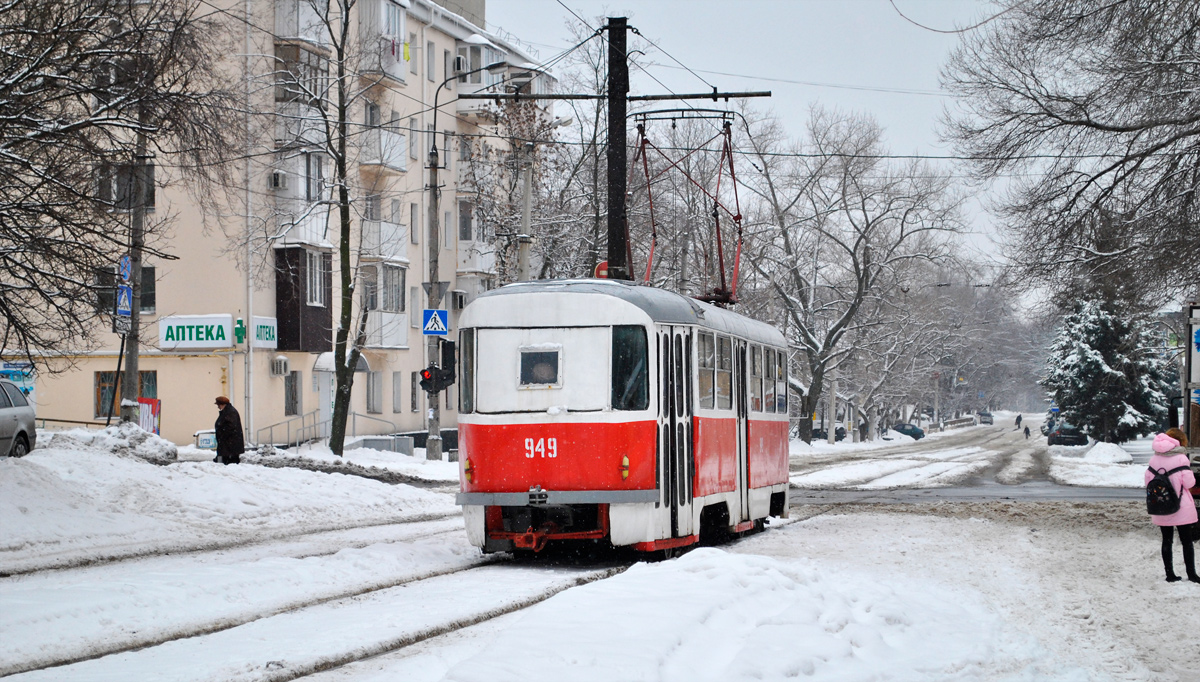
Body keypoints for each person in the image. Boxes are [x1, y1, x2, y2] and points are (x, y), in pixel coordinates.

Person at [1145, 429, 1198, 583]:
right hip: (1181, 506)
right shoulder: (1181, 459)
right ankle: (1192, 574)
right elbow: (1189, 483)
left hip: (1161, 505)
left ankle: (1170, 574)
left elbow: (1148, 481)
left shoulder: (1154, 459)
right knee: (1186, 541)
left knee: (1166, 540)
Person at [213, 395, 245, 465]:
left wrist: (222, 434)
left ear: (222, 404)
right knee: (228, 462)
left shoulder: (230, 412)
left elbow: (231, 427)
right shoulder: (227, 411)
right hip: (228, 444)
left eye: (218, 405)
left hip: (230, 445)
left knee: (230, 463)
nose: (218, 407)